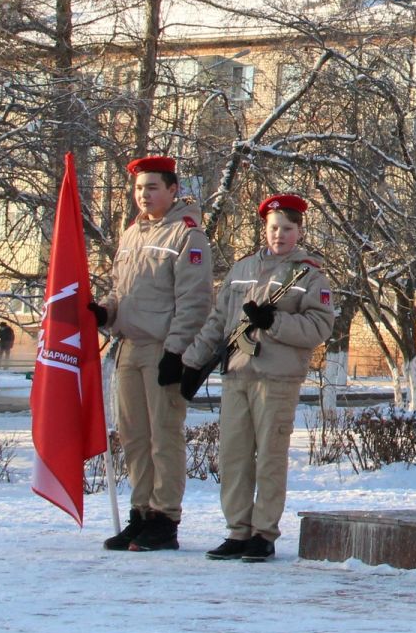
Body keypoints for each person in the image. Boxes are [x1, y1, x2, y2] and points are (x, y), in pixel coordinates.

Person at [183, 193, 335, 563]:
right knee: (233, 455)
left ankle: (263, 532)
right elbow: (219, 321)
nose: (279, 235)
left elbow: (320, 326)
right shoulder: (241, 270)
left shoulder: (310, 276)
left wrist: (275, 322)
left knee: (269, 456)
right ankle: (237, 530)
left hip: (277, 377)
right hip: (238, 373)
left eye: (287, 228)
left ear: (299, 231)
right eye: (273, 228)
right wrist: (190, 362)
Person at [88, 155, 214, 552]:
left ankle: (164, 518)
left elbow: (193, 302)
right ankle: (141, 512)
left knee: (164, 436)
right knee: (133, 438)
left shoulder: (187, 235)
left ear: (173, 190)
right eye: (139, 188)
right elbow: (120, 291)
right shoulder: (131, 235)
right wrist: (104, 312)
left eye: (153, 187)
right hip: (129, 347)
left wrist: (176, 352)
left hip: (163, 348)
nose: (144, 195)